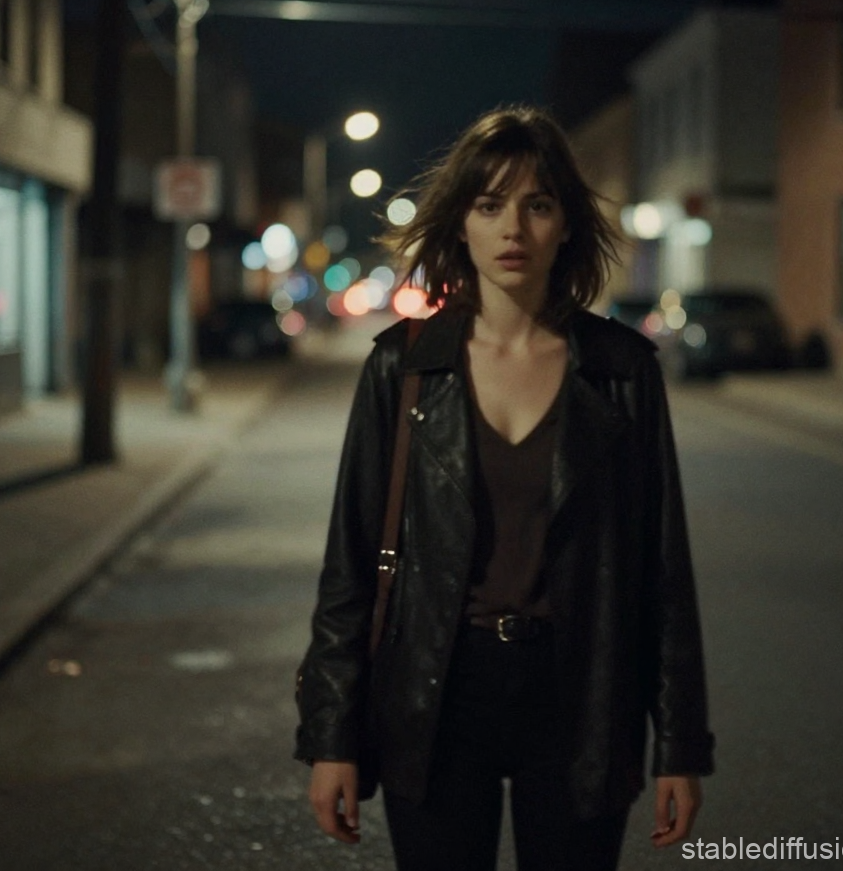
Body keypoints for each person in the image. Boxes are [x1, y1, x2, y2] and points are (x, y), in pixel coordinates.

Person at [295, 106, 714, 871]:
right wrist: (332, 737)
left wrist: (680, 745)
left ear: (566, 226)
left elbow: (662, 573)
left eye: (538, 204)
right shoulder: (406, 367)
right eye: (489, 205)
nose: (512, 227)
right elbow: (351, 565)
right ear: (461, 224)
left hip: (582, 692)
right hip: (438, 691)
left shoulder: (621, 371)